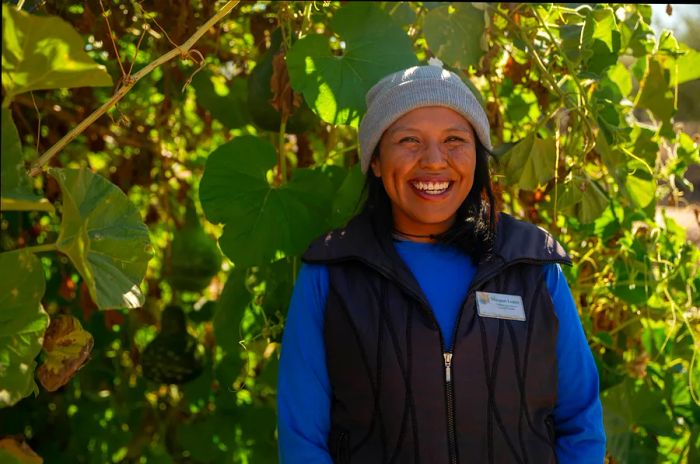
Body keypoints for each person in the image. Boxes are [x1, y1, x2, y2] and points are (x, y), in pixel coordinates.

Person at [277, 64, 606, 463]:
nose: (434, 161)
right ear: (375, 161)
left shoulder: (532, 267)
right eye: (409, 141)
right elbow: (302, 442)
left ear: (477, 156)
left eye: (454, 140)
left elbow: (580, 423)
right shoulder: (330, 276)